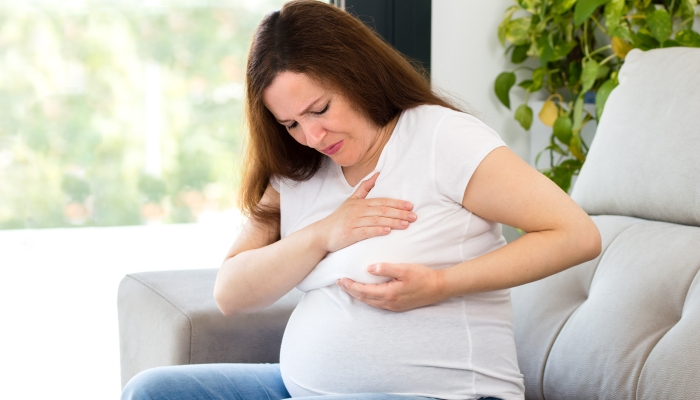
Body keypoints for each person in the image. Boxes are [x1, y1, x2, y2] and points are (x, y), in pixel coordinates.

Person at [121, 1, 601, 399]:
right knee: (153, 391)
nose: (311, 134)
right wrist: (323, 233)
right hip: (301, 388)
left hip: (444, 393)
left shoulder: (438, 138)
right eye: (290, 123)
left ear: (357, 74)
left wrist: (442, 284)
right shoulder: (298, 167)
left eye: (319, 109)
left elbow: (575, 234)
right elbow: (231, 293)